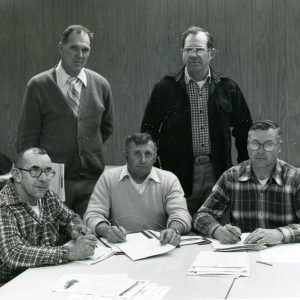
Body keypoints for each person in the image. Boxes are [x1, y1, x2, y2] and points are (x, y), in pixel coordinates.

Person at [141, 26, 252, 216]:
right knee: (180, 228)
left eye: (199, 49)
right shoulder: (165, 88)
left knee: (217, 230)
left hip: (217, 173)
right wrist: (157, 173)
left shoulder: (228, 88)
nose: (193, 54)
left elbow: (245, 131)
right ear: (182, 54)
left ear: (211, 53)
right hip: (178, 174)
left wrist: (244, 170)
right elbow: (148, 133)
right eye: (188, 50)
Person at [15, 25, 114, 217]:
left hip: (91, 182)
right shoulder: (39, 85)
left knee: (93, 237)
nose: (80, 55)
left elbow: (105, 128)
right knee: (58, 242)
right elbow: (26, 139)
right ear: (61, 48)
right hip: (52, 184)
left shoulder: (101, 84)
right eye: (74, 48)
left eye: (85, 49)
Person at [194, 120, 300, 245]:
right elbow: (201, 216)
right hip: (244, 253)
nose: (260, 151)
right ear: (247, 146)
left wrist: (280, 234)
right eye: (255, 144)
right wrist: (218, 231)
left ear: (279, 147)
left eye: (268, 145)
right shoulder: (231, 177)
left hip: (283, 257)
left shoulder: (295, 178)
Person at [0, 148, 98, 283]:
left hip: (47, 276)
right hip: (11, 286)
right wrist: (70, 252)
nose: (44, 179)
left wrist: (74, 228)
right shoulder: (3, 205)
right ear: (17, 175)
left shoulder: (47, 195)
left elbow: (69, 217)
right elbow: (13, 254)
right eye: (34, 171)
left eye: (48, 171)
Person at [84, 133, 192, 247]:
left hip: (158, 245)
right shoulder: (108, 178)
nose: (143, 160)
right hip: (120, 246)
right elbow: (92, 215)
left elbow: (181, 214)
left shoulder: (169, 179)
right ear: (126, 155)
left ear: (155, 157)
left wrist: (173, 230)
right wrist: (107, 231)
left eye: (148, 154)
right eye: (136, 154)